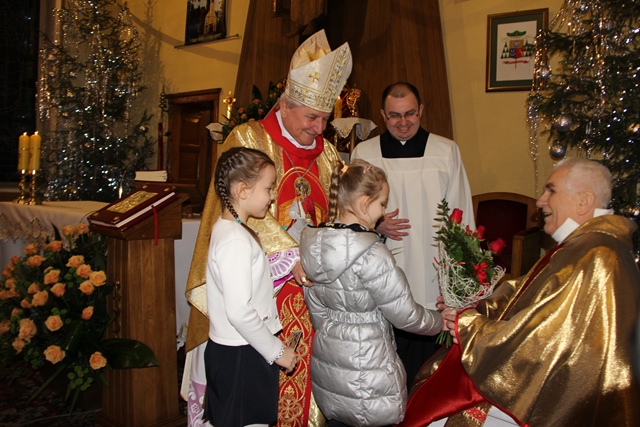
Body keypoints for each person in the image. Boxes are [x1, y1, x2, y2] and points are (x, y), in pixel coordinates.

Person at [182, 29, 352, 427]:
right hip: (267, 290)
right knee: (252, 402)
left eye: (325, 119)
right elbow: (235, 209)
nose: (320, 128)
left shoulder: (328, 154)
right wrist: (290, 256)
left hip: (314, 291)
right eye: (312, 117)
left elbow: (335, 213)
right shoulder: (248, 139)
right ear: (286, 105)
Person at [399, 157, 640, 427]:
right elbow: (522, 293)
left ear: (584, 201)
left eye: (551, 191)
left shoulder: (597, 257)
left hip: (552, 400)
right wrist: (474, 307)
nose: (540, 201)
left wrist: (469, 326)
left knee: (439, 409)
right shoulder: (585, 246)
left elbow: (544, 340)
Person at [300, 160, 442, 427]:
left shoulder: (314, 245)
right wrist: (441, 321)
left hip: (330, 366)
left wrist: (336, 333)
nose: (383, 212)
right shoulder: (372, 253)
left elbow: (315, 307)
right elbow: (405, 315)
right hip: (369, 370)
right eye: (382, 204)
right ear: (365, 203)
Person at [350, 82, 474, 387]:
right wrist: (375, 224)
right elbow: (349, 213)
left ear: (421, 111)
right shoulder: (364, 153)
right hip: (384, 265)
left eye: (410, 114)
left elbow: (461, 214)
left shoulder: (445, 151)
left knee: (428, 369)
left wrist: (462, 276)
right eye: (394, 116)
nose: (403, 122)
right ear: (383, 115)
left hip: (433, 269)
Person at [203, 147, 298, 427]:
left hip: (240, 348)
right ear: (242, 190)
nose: (272, 196)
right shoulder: (235, 240)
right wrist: (278, 352)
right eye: (268, 188)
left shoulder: (232, 229)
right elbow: (239, 311)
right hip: (242, 352)